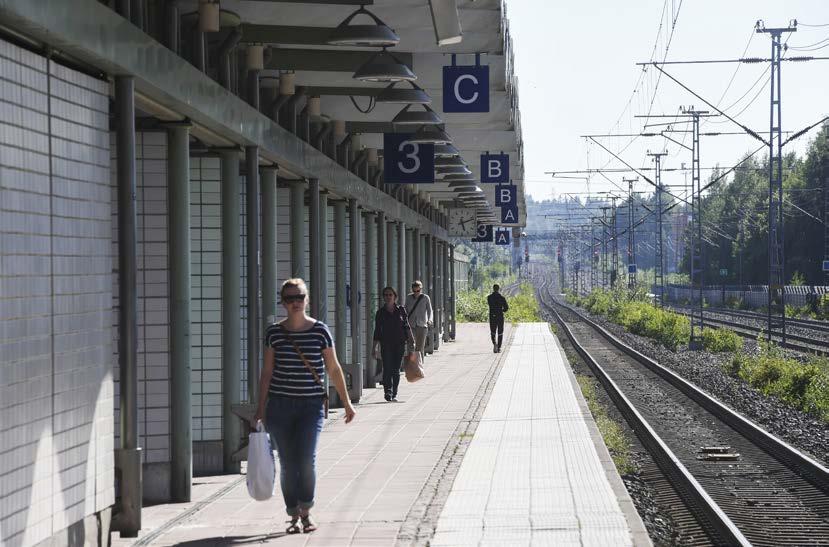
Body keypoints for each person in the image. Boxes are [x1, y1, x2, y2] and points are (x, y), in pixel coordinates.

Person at [254, 278, 356, 535]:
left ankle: (307, 511)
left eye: (299, 297)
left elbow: (333, 368)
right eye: (289, 299)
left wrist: (346, 403)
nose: (295, 303)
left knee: (306, 459)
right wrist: (260, 407)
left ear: (306, 298)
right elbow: (267, 372)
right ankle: (292, 513)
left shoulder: (320, 331)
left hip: (311, 406)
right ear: (283, 303)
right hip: (279, 406)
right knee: (288, 462)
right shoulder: (274, 333)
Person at [373, 286, 415, 402]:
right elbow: (377, 331)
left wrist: (412, 339)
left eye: (390, 295)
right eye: (386, 295)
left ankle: (394, 392)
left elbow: (406, 326)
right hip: (385, 344)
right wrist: (374, 347)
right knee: (387, 368)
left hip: (399, 343)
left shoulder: (401, 310)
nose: (388, 297)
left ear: (395, 297)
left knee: (396, 369)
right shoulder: (380, 313)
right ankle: (388, 391)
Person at [404, 280, 433, 359]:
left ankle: (419, 366)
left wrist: (430, 320)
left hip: (422, 325)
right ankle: (411, 365)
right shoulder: (409, 297)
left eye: (418, 290)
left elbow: (430, 311)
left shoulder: (425, 298)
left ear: (421, 289)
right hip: (411, 325)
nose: (416, 292)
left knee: (420, 348)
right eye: (414, 291)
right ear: (412, 290)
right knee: (411, 346)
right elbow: (405, 310)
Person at [487, 284, 509, 353]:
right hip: (500, 316)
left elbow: (490, 305)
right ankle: (499, 347)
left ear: (493, 289)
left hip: (492, 316)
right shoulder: (502, 298)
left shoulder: (489, 297)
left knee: (493, 332)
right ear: (498, 289)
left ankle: (494, 343)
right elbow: (506, 308)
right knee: (500, 332)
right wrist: (501, 310)